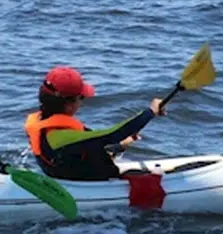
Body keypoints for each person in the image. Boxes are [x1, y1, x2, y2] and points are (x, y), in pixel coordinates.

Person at [24, 67, 165, 182]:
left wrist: (120, 145)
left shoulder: (40, 122)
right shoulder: (60, 137)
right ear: (69, 106)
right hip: (87, 183)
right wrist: (151, 112)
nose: (82, 102)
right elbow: (112, 135)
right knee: (142, 176)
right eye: (81, 98)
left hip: (62, 175)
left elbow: (84, 146)